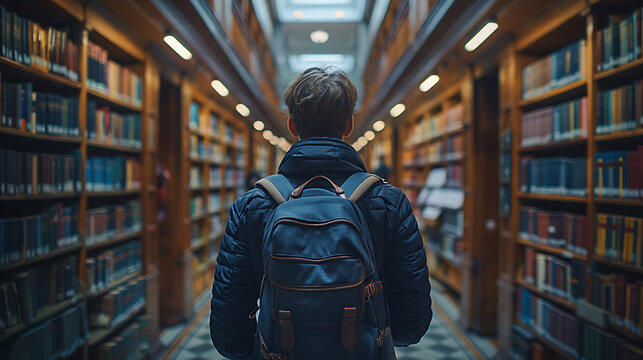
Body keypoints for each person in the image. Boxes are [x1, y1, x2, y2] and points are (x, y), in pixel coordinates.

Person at [210, 67, 432, 359]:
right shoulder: (390, 202)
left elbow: (228, 329)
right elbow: (411, 324)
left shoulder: (252, 205)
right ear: (349, 125)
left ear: (291, 126)